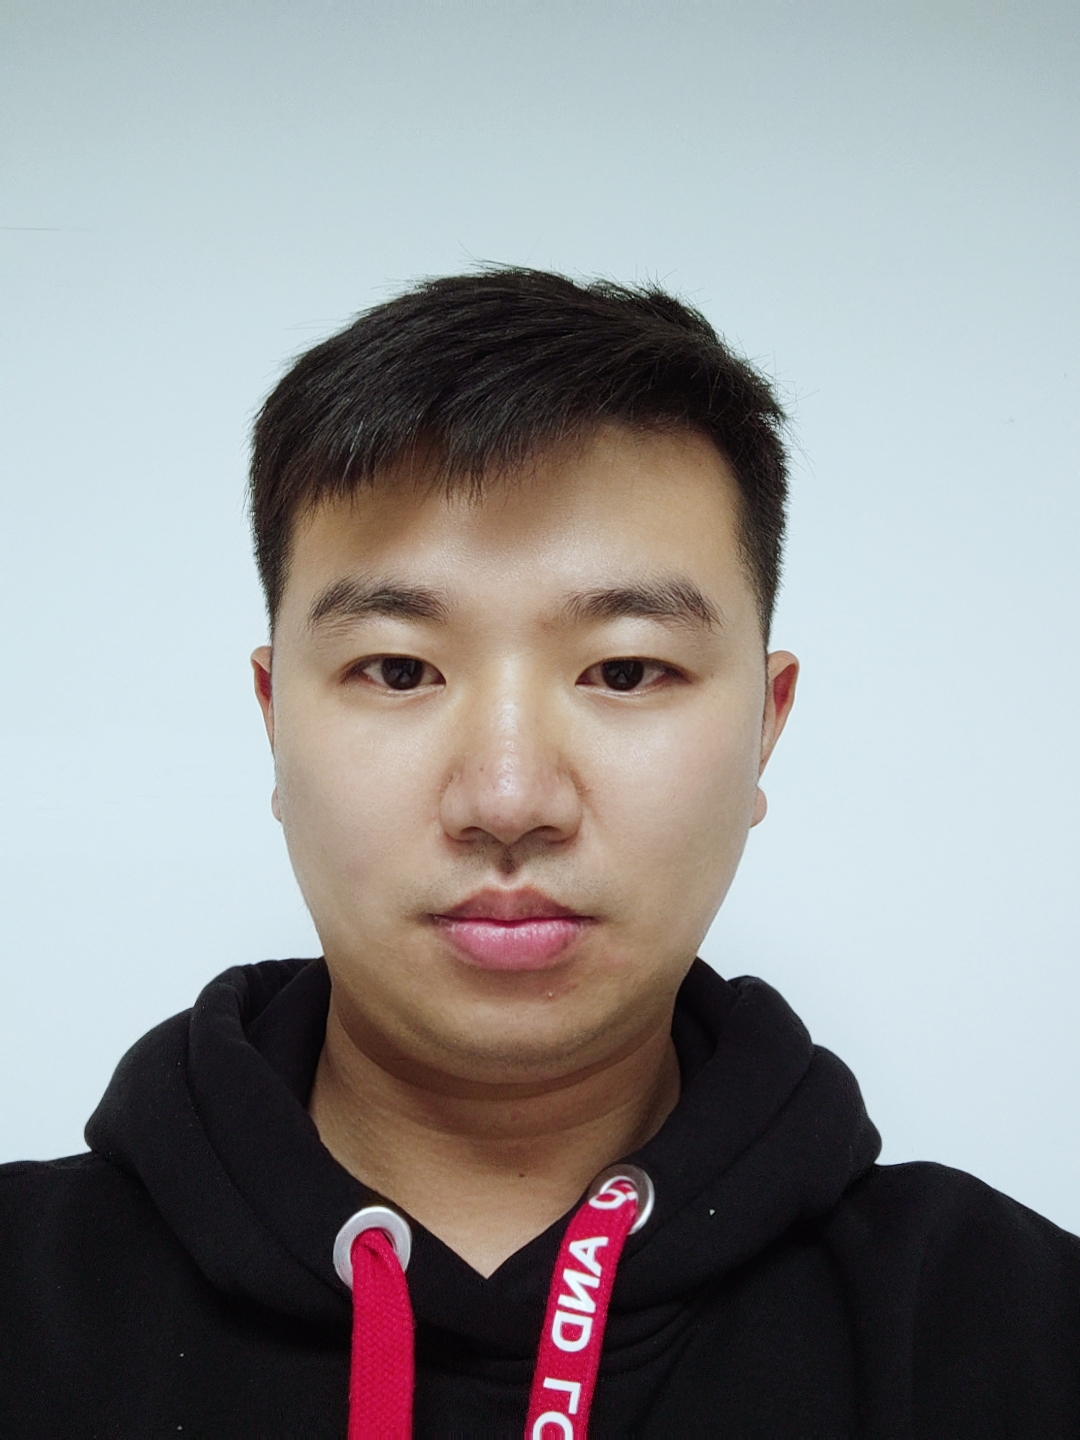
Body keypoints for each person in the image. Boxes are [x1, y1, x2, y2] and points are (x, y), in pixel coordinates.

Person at [1, 269, 1076, 1438]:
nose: (509, 800)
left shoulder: (1012, 1330)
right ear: (274, 718)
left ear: (766, 725)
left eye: (625, 670)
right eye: (398, 670)